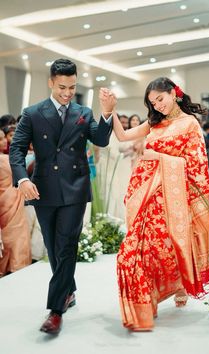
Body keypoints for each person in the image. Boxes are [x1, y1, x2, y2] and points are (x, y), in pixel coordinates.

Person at [9, 58, 115, 335]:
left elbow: (100, 139)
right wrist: (22, 179)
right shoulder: (32, 113)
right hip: (43, 189)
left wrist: (106, 114)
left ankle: (55, 311)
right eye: (62, 87)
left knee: (66, 244)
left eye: (72, 87)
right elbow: (17, 149)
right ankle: (69, 291)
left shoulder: (83, 111)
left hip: (75, 188)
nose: (68, 93)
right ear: (51, 82)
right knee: (53, 247)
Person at [101, 77, 209, 331]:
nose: (158, 106)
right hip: (145, 195)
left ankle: (177, 286)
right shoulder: (155, 122)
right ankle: (146, 300)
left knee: (167, 247)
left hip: (173, 199)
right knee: (137, 248)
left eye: (160, 99)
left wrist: (158, 156)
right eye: (152, 103)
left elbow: (196, 165)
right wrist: (110, 110)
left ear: (173, 93)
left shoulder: (189, 124)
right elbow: (122, 136)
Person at [0, 130, 31, 277]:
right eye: (0, 139)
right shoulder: (8, 160)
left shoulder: (8, 158)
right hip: (9, 199)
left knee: (10, 235)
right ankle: (16, 265)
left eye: (3, 138)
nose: (4, 141)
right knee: (15, 235)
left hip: (9, 199)